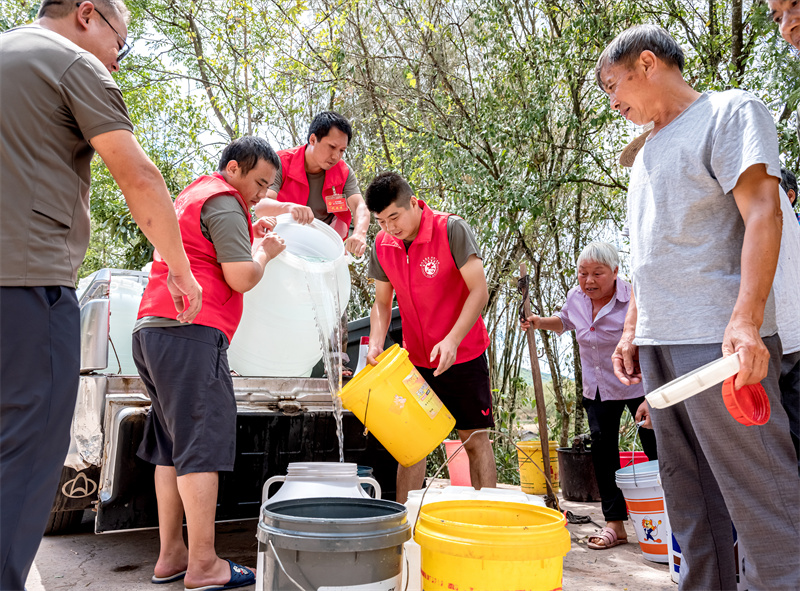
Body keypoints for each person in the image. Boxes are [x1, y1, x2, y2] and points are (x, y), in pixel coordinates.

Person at [0, 2, 203, 589]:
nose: (119, 54)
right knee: (29, 449)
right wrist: (180, 269)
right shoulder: (71, 64)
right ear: (88, 14)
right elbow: (137, 174)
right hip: (27, 286)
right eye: (123, 39)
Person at [598, 24, 799, 589]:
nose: (614, 103)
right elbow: (650, 253)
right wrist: (633, 328)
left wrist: (747, 320)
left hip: (718, 341)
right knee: (688, 499)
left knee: (761, 499)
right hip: (662, 344)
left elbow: (764, 211)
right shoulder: (645, 154)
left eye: (615, 86)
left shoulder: (730, 113)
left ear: (647, 63)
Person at [133, 136, 285, 590]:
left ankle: (171, 555)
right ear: (234, 168)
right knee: (200, 444)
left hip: (152, 329)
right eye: (259, 182)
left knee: (170, 446)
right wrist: (265, 254)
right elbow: (240, 276)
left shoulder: (193, 194)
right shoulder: (224, 200)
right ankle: (203, 564)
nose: (262, 195)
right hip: (191, 333)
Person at [363, 172, 496, 503]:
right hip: (417, 360)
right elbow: (381, 302)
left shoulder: (451, 229)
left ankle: (488, 519)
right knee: (411, 446)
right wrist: (376, 342)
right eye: (381, 221)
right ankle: (405, 529)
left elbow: (479, 291)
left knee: (474, 440)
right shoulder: (382, 245)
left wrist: (452, 338)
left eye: (394, 216)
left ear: (413, 202)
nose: (390, 228)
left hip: (463, 354)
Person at [520, 242, 657, 550]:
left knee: (656, 448)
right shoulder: (576, 298)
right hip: (598, 388)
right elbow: (565, 321)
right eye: (583, 274)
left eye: (598, 273)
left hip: (638, 386)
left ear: (616, 272)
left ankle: (669, 517)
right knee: (604, 454)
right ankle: (614, 525)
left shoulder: (633, 298)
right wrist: (540, 322)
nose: (589, 281)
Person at [254, 111, 370, 257]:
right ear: (313, 139)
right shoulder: (281, 163)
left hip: (324, 249)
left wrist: (360, 233)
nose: (336, 156)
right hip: (282, 243)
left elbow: (360, 206)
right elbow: (261, 206)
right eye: (332, 147)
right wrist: (289, 207)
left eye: (342, 150)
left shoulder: (343, 172)